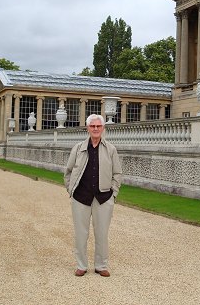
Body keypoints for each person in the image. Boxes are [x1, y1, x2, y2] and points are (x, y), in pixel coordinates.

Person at [64, 114, 122, 277]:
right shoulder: (78, 148)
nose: (95, 129)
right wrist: (71, 190)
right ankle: (81, 265)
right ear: (87, 128)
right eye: (92, 126)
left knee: (102, 234)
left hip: (103, 198)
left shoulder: (111, 149)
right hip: (80, 197)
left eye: (98, 126)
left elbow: (117, 173)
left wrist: (113, 194)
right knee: (81, 234)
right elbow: (68, 172)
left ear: (103, 128)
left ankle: (101, 265)